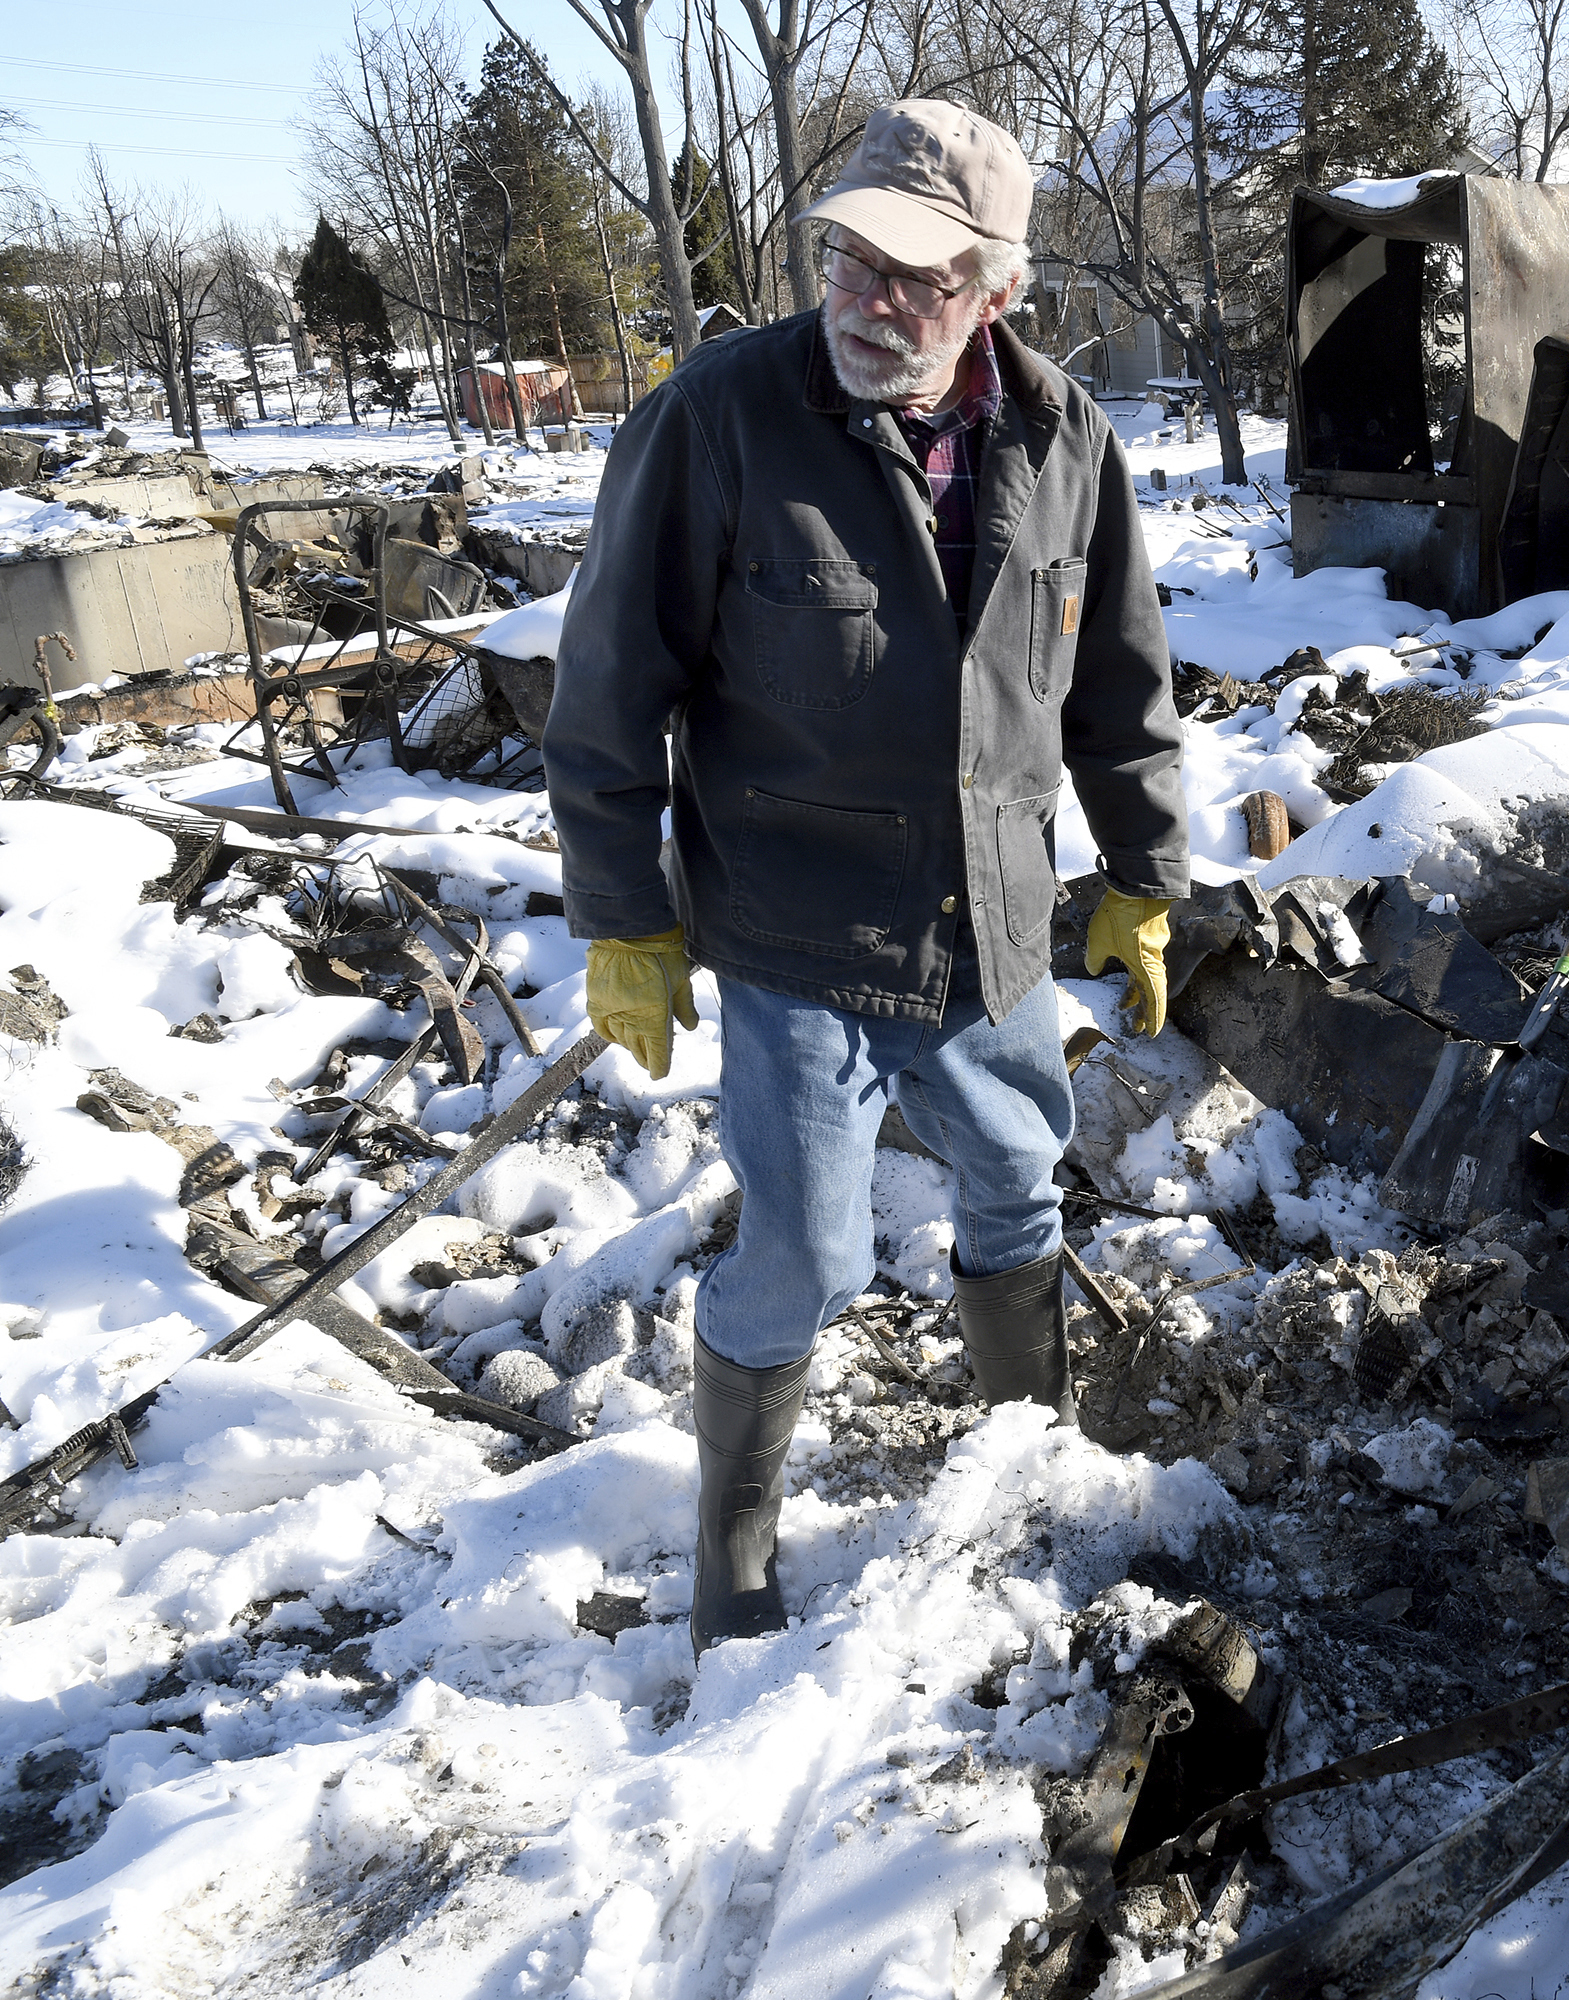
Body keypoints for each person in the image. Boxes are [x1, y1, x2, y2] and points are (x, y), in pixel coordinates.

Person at [543, 99, 1187, 1652]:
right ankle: (732, 1543)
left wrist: (1144, 871)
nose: (867, 298)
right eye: (846, 256)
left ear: (997, 293)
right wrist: (626, 917)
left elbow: (1120, 682)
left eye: (915, 275)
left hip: (992, 919)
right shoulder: (721, 419)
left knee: (1019, 1186)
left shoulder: (1063, 440)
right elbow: (610, 686)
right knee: (806, 1253)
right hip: (793, 933)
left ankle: (1024, 1465)